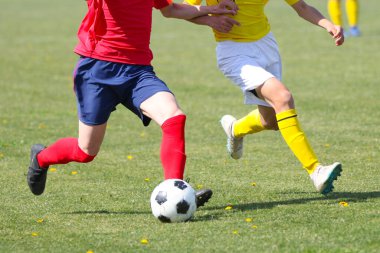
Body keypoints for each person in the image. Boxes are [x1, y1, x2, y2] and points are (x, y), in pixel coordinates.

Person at [26, 0, 238, 208]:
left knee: (174, 117)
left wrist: (210, 14)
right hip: (97, 71)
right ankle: (41, 158)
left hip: (137, 72)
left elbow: (170, 9)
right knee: (86, 151)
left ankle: (174, 190)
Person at [184, 0, 344, 195]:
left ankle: (235, 129)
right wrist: (210, 21)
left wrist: (328, 24)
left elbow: (301, 7)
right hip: (234, 52)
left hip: (266, 46)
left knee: (271, 121)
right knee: (282, 97)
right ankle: (315, 170)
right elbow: (185, 9)